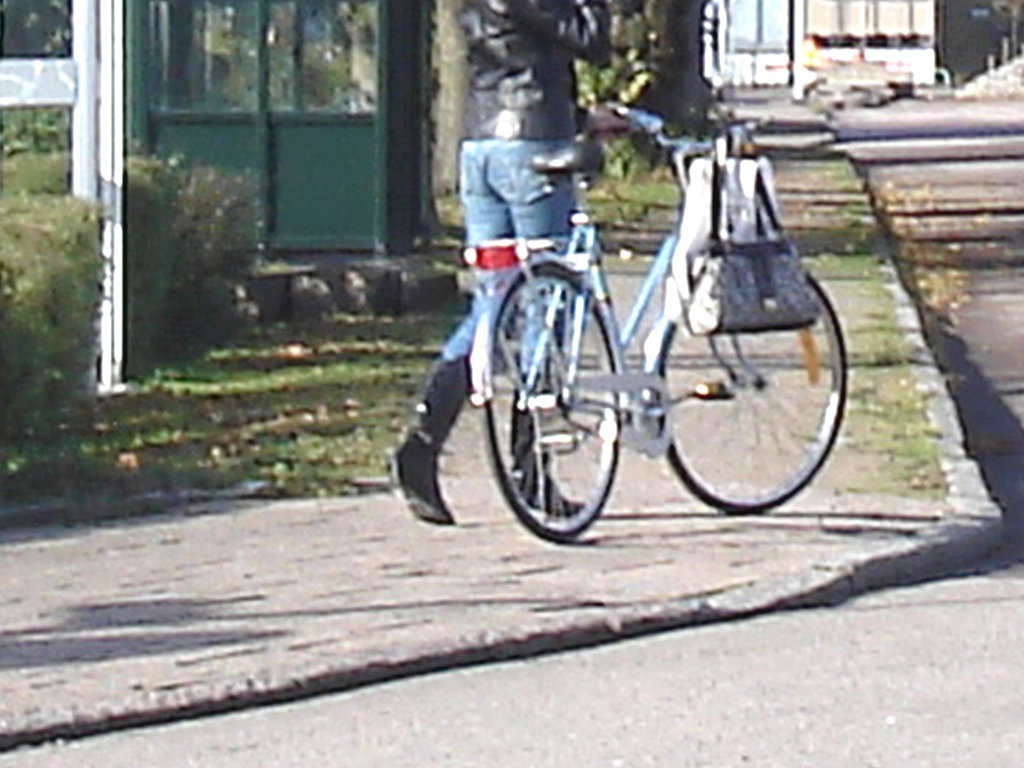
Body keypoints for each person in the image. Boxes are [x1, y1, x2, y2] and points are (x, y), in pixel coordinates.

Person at [392, 0, 613, 525]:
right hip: (531, 150)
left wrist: (580, 115)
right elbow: (590, 38)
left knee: (494, 303)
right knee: (549, 300)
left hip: (482, 147)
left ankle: (423, 442)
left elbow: (510, 54)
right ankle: (528, 464)